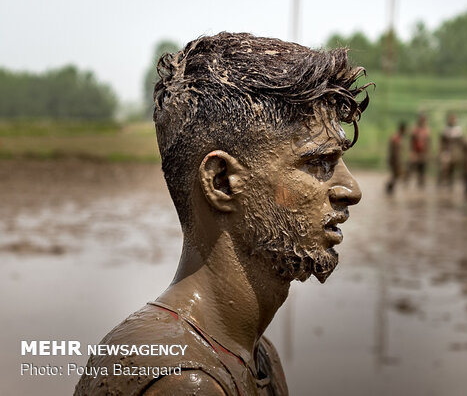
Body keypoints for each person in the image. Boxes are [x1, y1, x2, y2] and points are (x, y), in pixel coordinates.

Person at [75, 33, 369, 396]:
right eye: (319, 163)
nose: (351, 190)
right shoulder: (184, 383)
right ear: (222, 182)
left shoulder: (256, 355)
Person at [437, 113, 463, 189]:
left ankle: (451, 183)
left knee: (453, 168)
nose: (452, 121)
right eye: (451, 119)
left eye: (454, 119)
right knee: (444, 167)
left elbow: (460, 142)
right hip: (446, 151)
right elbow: (441, 142)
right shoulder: (445, 129)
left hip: (454, 152)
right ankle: (440, 182)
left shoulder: (458, 130)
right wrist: (440, 152)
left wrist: (459, 152)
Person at [408, 113, 431, 188]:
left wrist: (427, 153)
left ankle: (421, 184)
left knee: (422, 168)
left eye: (424, 120)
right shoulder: (415, 129)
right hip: (416, 152)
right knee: (412, 167)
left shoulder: (427, 130)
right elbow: (411, 141)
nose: (423, 121)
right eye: (422, 120)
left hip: (423, 152)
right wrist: (412, 152)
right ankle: (406, 181)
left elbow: (428, 142)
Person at [386, 122, 406, 195]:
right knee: (395, 175)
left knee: (395, 175)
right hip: (394, 160)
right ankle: (389, 188)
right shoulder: (396, 138)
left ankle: (390, 189)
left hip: (393, 159)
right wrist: (397, 161)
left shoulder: (396, 137)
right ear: (403, 130)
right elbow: (395, 151)